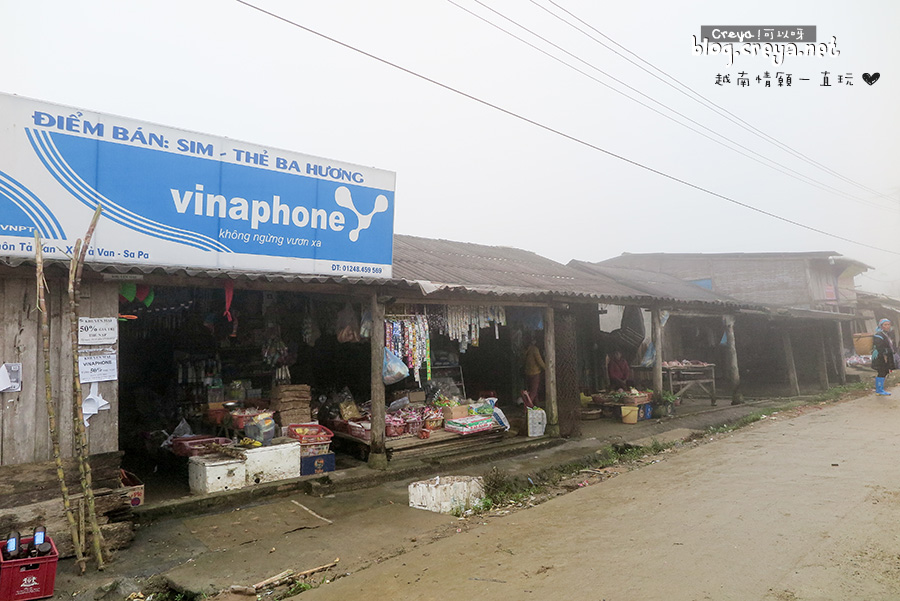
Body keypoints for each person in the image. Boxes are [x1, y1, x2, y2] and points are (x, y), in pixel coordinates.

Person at [872, 318, 896, 396]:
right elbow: (880, 347)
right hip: (880, 356)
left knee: (884, 371)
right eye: (885, 325)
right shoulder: (878, 335)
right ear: (881, 326)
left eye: (888, 324)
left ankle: (880, 389)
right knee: (882, 371)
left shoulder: (886, 334)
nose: (887, 326)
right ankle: (879, 390)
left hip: (886, 356)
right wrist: (885, 355)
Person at [523, 334, 546, 408]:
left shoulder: (525, 350)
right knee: (533, 392)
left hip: (527, 373)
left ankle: (536, 407)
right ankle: (527, 407)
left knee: (533, 392)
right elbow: (539, 361)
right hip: (535, 373)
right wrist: (547, 368)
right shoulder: (534, 349)